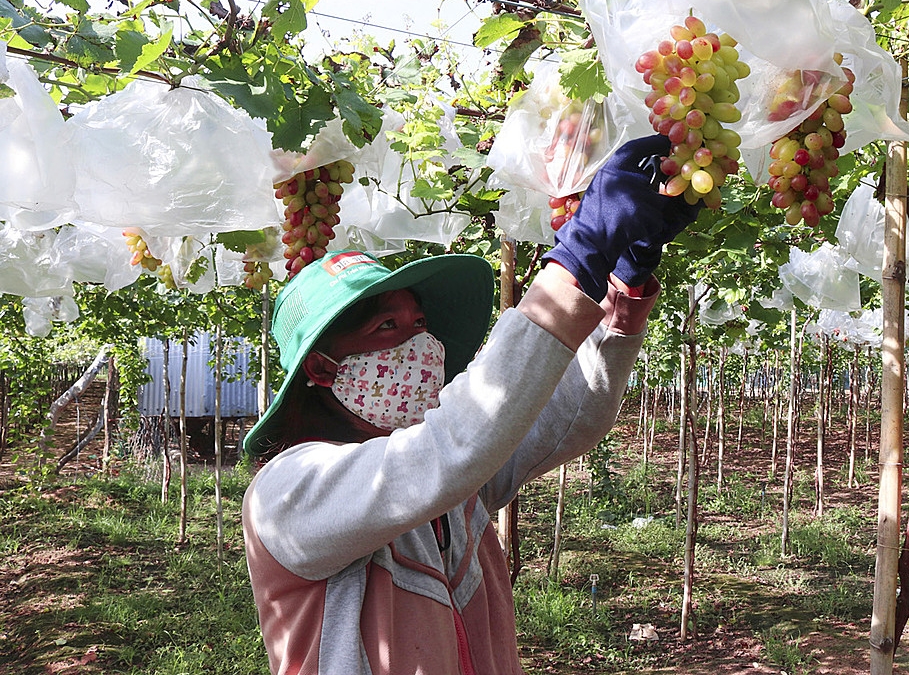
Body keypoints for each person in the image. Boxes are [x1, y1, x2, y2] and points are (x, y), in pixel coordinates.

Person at [240, 134, 699, 675]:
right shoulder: (288, 492)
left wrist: (622, 287)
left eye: (420, 325)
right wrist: (575, 262)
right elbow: (450, 449)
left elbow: (569, 418)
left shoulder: (453, 488)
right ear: (321, 369)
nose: (421, 346)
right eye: (387, 327)